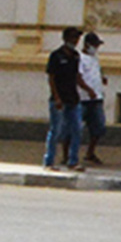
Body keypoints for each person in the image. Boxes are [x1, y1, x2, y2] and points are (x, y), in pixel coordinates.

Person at [42, 27, 83, 171]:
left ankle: (73, 161)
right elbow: (51, 78)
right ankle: (49, 161)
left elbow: (76, 76)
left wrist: (84, 90)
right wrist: (57, 97)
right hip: (59, 99)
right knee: (56, 130)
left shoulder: (76, 56)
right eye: (73, 38)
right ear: (66, 39)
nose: (75, 41)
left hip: (73, 98)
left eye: (77, 39)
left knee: (76, 129)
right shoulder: (56, 56)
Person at [77, 31, 108, 166]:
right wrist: (88, 90)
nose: (96, 48)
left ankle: (90, 152)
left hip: (96, 98)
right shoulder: (79, 58)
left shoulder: (95, 58)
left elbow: (97, 72)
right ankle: (69, 154)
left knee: (98, 127)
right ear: (87, 44)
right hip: (82, 98)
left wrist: (102, 79)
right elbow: (78, 77)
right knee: (75, 128)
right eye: (95, 45)